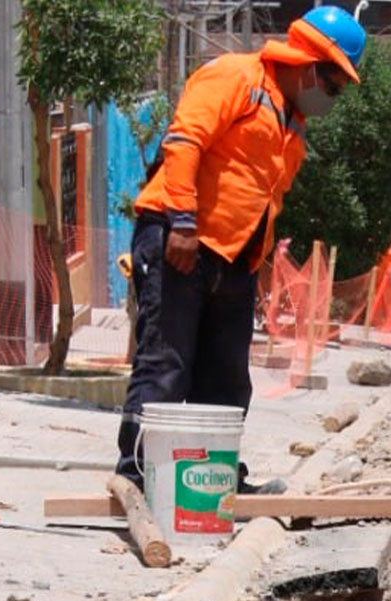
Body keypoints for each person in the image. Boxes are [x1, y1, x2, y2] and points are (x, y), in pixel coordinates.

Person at [115, 6, 367, 492]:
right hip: (181, 241)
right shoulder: (235, 76)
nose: (331, 99)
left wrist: (254, 265)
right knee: (165, 367)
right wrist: (184, 224)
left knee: (226, 382)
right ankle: (138, 478)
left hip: (233, 263)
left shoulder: (292, 124)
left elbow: (263, 198)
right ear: (310, 65)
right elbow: (185, 142)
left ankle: (212, 483)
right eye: (332, 86)